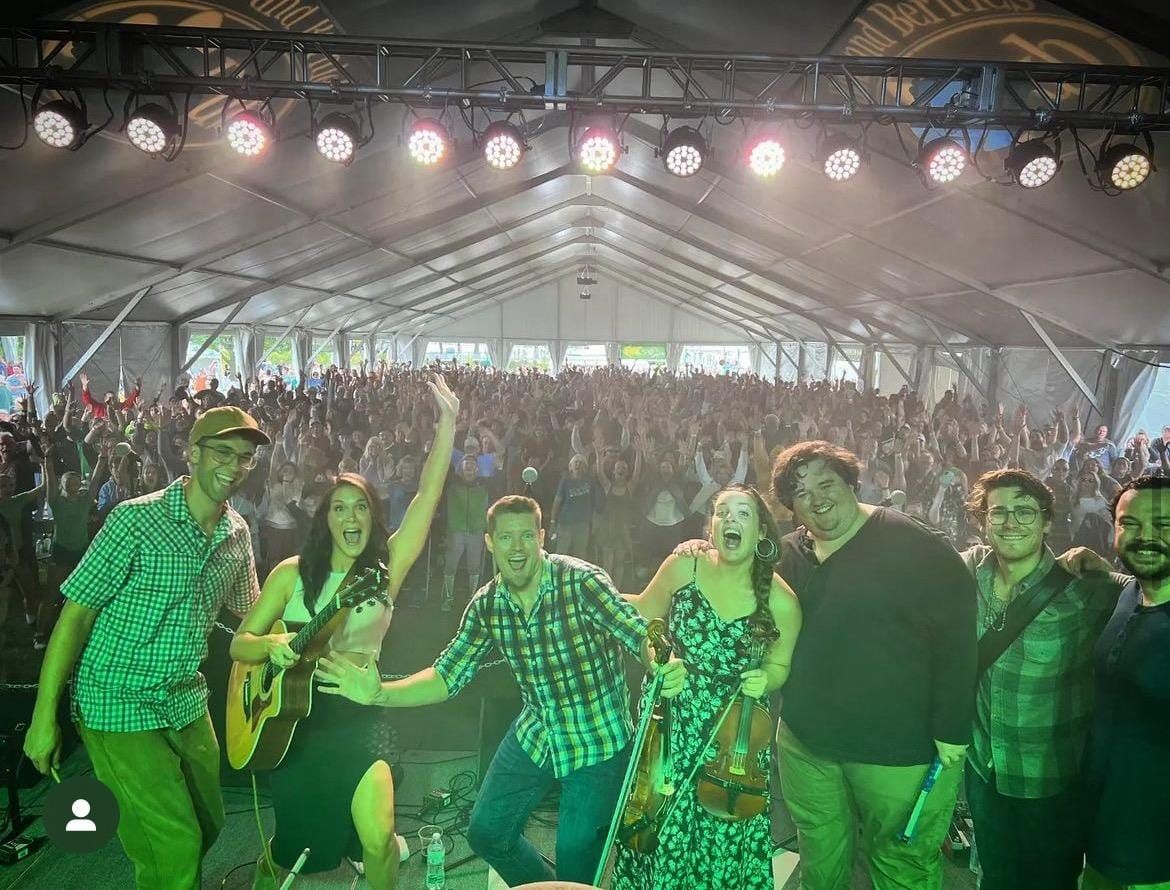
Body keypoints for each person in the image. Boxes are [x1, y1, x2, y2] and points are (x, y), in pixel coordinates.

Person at [313, 494, 687, 885]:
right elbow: (446, 675)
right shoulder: (486, 605)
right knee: (486, 832)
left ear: (543, 537)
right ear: (489, 542)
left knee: (575, 856)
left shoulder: (581, 582)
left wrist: (659, 661)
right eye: (506, 538)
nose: (517, 547)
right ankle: (540, 885)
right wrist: (378, 694)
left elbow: (637, 633)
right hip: (537, 730)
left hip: (600, 739)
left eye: (527, 536)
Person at [22, 405, 269, 890]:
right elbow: (75, 617)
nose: (234, 466)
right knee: (174, 846)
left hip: (184, 699)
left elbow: (254, 614)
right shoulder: (134, 521)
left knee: (208, 824)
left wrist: (323, 608)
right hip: (118, 701)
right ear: (192, 452)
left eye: (244, 457)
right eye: (223, 452)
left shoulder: (235, 533)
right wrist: (42, 717)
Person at [231, 374, 458, 890]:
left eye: (361, 508)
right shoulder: (289, 574)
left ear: (372, 519)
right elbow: (239, 643)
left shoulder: (385, 572)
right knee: (295, 856)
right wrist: (269, 644)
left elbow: (426, 496)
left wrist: (448, 427)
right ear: (325, 518)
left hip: (360, 717)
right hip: (293, 728)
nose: (351, 516)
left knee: (380, 840)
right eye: (340, 507)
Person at [770, 440, 977, 890]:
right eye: (801, 494)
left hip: (898, 750)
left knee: (902, 864)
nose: (817, 498)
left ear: (851, 482)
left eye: (827, 483)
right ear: (791, 509)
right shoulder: (788, 556)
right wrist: (694, 549)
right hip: (808, 743)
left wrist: (952, 729)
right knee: (820, 857)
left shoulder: (912, 543)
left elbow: (958, 638)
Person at [613, 485, 801, 890]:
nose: (731, 520)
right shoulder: (685, 566)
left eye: (744, 514)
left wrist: (766, 678)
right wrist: (656, 660)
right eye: (722, 513)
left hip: (734, 737)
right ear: (711, 526)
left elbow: (781, 664)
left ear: (762, 534)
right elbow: (646, 616)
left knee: (722, 831)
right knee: (658, 826)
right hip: (671, 717)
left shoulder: (783, 602)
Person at [960, 469, 1125, 890]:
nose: (1010, 523)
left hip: (1049, 776)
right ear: (982, 520)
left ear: (1048, 521)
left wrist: (1103, 564)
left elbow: (1152, 596)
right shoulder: (969, 570)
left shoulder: (1085, 587)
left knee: (1049, 880)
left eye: (1024, 512)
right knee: (994, 875)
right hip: (983, 768)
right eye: (998, 512)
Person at [1081, 476, 1170, 890]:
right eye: (1129, 524)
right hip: (1106, 832)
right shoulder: (1132, 592)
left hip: (1157, 854)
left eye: (1164, 524)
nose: (1145, 537)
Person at [442, 453, 489, 612]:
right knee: (451, 565)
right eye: (465, 463)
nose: (469, 466)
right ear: (460, 467)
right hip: (456, 530)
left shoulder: (485, 485)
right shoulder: (451, 484)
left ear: (477, 468)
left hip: (476, 531)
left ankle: (472, 598)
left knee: (474, 566)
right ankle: (448, 598)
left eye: (472, 464)